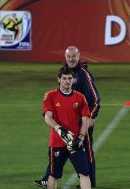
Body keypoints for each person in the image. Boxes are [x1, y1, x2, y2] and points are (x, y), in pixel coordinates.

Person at [33, 46, 100, 188]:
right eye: (69, 56)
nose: (71, 58)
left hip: (81, 123)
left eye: (74, 56)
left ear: (79, 56)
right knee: (59, 151)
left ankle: (90, 182)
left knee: (86, 153)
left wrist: (91, 117)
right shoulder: (64, 73)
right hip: (65, 124)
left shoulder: (83, 75)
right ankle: (48, 177)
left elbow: (95, 99)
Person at [42, 66, 91, 189]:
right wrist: (59, 129)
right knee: (53, 175)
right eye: (64, 78)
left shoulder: (80, 97)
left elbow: (86, 120)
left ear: (73, 80)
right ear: (59, 79)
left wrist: (80, 138)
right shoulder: (50, 95)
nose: (67, 81)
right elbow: (48, 117)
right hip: (57, 142)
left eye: (70, 78)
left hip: (75, 142)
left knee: (85, 174)